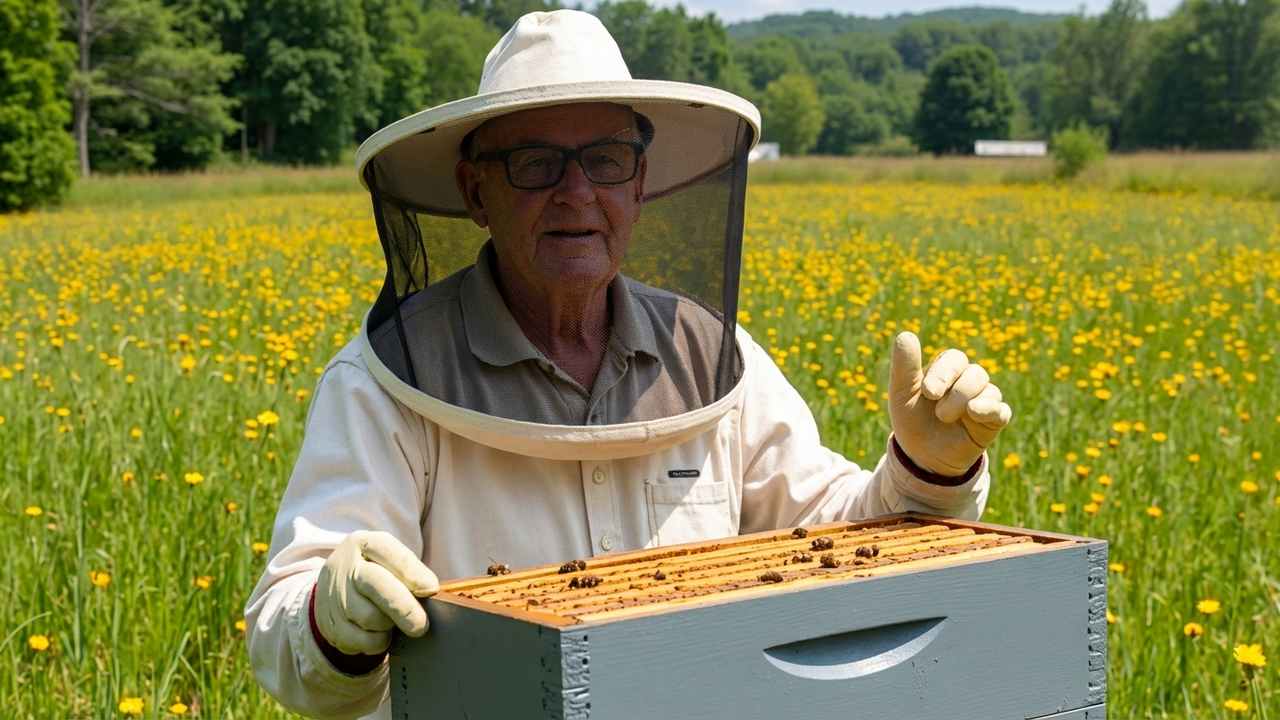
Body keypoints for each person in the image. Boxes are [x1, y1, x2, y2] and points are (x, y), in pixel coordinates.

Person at [245, 10, 1013, 720]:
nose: (577, 193)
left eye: (606, 161)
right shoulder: (387, 383)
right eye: (536, 163)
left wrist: (926, 473)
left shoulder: (713, 356)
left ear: (640, 186)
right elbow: (284, 636)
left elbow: (835, 544)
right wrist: (329, 614)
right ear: (476, 190)